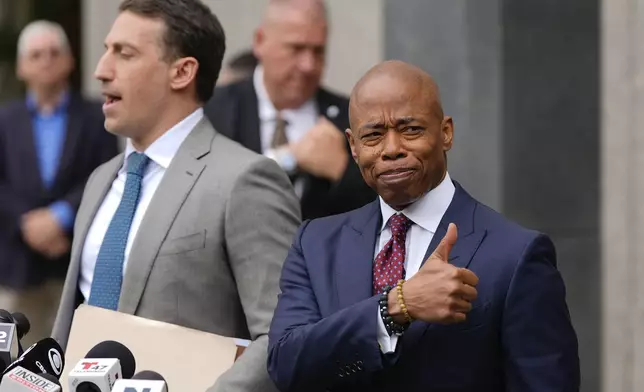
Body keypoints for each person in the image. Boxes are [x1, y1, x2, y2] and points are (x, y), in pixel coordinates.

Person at [267, 60, 580, 391]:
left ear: (446, 132)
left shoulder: (515, 255)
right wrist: (396, 307)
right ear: (354, 147)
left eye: (410, 129)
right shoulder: (315, 243)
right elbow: (286, 365)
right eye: (373, 135)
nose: (392, 149)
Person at [51, 1, 300, 391]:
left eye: (125, 53)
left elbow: (284, 336)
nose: (101, 70)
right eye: (106, 50)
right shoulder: (101, 180)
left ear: (182, 71)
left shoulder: (245, 179)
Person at [0, 20, 118, 346]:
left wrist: (60, 217)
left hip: (75, 258)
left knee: (73, 352)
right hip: (18, 266)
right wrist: (28, 223)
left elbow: (106, 172)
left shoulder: (98, 116)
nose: (46, 60)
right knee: (15, 359)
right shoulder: (5, 121)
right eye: (36, 54)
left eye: (54, 52)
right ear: (22, 66)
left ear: (70, 61)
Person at [204, 0, 375, 220]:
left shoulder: (352, 117)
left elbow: (381, 211)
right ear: (260, 41)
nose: (309, 65)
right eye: (296, 48)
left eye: (318, 51)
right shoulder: (211, 110)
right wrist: (291, 157)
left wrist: (342, 171)